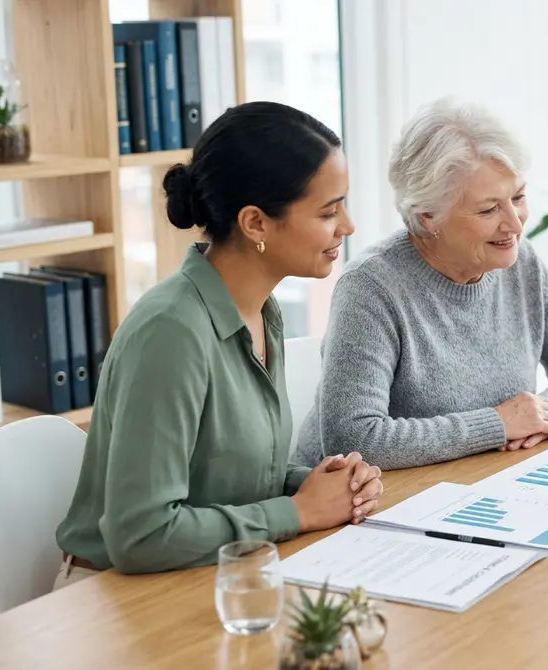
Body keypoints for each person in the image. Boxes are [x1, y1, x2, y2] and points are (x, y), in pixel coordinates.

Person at [54, 102, 383, 587]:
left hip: (208, 573)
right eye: (329, 211)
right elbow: (140, 535)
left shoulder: (262, 311)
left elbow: (226, 479)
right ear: (255, 224)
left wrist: (324, 486)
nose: (347, 226)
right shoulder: (171, 332)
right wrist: (298, 511)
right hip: (113, 599)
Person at [293, 97, 548, 470]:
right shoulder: (371, 287)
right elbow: (354, 440)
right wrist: (497, 424)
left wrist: (546, 412)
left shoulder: (519, 262)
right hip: (357, 505)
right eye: (488, 209)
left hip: (475, 484)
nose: (514, 224)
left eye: (518, 197)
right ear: (428, 215)